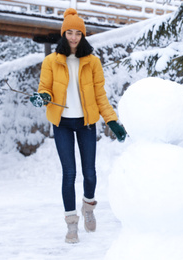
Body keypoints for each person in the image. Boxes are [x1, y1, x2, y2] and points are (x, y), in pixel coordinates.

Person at [29, 8, 127, 243]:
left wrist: (112, 120)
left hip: (85, 123)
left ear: (83, 36)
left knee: (90, 174)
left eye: (78, 33)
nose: (73, 37)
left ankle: (88, 207)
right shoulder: (51, 61)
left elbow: (100, 95)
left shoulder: (92, 62)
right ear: (63, 34)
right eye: (69, 33)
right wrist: (42, 97)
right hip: (61, 123)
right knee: (69, 174)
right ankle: (71, 224)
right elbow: (45, 88)